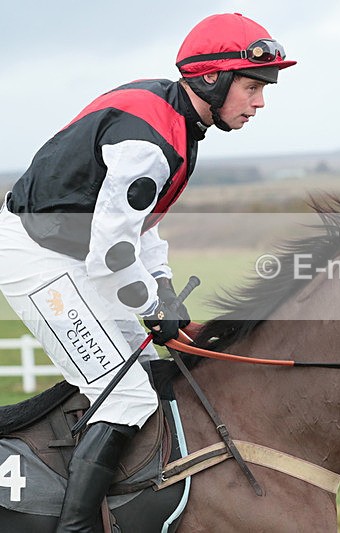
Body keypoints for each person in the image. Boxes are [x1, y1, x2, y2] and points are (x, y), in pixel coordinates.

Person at [0, 12, 295, 532]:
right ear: (213, 78)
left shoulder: (177, 120)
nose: (260, 103)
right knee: (128, 394)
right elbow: (113, 253)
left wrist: (163, 291)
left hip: (77, 252)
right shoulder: (151, 141)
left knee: (140, 377)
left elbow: (141, 228)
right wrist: (152, 310)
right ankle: (77, 527)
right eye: (252, 87)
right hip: (37, 258)